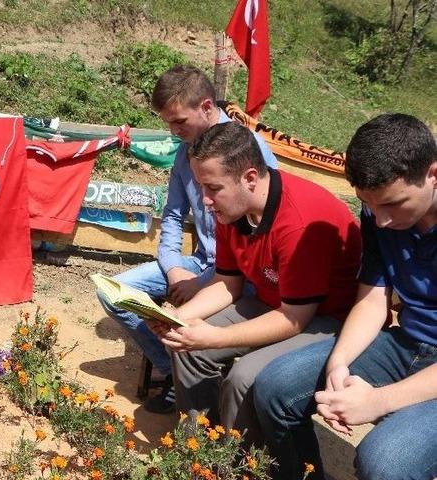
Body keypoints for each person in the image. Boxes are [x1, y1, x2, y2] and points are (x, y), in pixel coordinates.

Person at [149, 121, 361, 440]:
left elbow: (294, 319)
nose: (205, 199)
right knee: (187, 348)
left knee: (243, 378)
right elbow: (227, 283)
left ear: (249, 178)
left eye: (213, 188)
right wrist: (180, 317)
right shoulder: (231, 207)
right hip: (274, 303)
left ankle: (236, 467)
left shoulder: (299, 223)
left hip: (325, 319)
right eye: (201, 186)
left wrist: (212, 337)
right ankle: (195, 452)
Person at [254, 114, 437, 480]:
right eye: (370, 206)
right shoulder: (378, 212)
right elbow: (372, 298)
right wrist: (339, 363)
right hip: (409, 342)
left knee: (385, 462)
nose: (381, 220)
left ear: (433, 174)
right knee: (275, 386)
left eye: (393, 204)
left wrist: (376, 402)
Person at [95, 65, 277, 414]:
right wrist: (176, 269)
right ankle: (175, 373)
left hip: (240, 274)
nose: (173, 131)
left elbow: (263, 230)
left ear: (206, 107)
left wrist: (202, 283)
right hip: (198, 262)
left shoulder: (250, 148)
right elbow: (174, 219)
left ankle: (191, 376)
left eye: (179, 121)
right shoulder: (185, 153)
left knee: (190, 313)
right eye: (168, 123)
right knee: (113, 291)